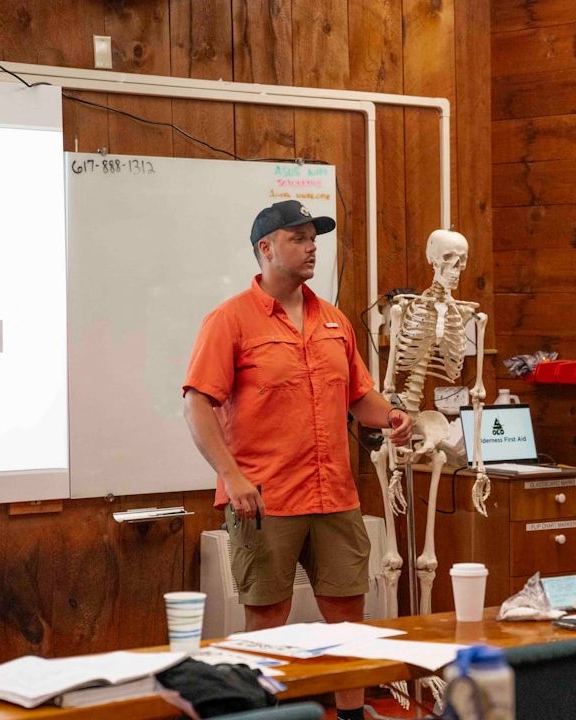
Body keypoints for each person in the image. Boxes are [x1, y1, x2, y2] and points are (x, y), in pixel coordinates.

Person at [183, 199, 412, 720]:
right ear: (265, 249)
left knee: (349, 616)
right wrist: (231, 476)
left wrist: (393, 416)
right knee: (267, 619)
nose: (312, 248)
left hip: (334, 494)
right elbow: (196, 404)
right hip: (265, 498)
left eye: (314, 238)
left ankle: (351, 715)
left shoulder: (333, 320)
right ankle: (266, 715)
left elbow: (359, 397)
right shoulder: (229, 320)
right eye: (298, 238)